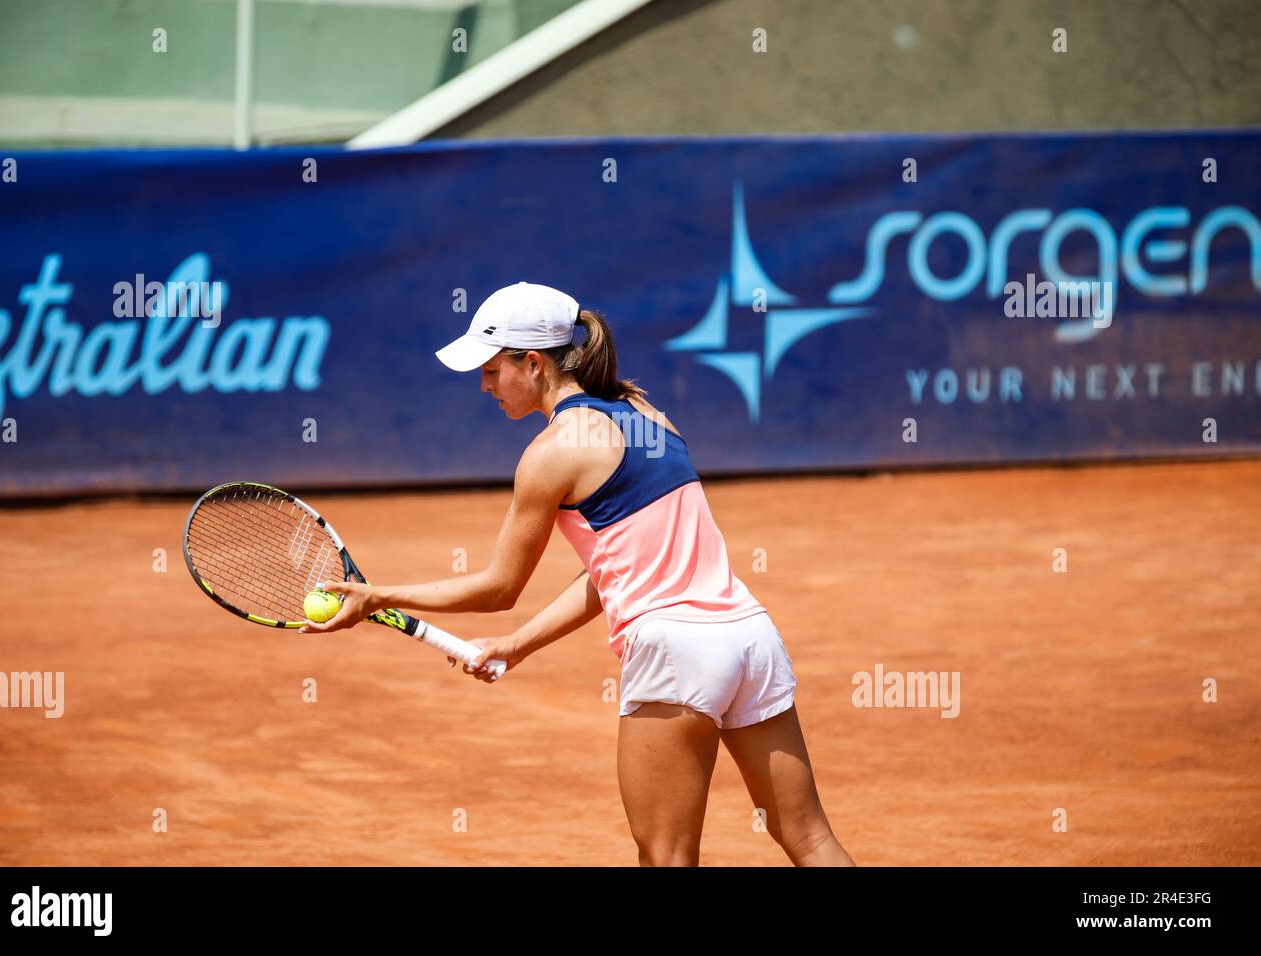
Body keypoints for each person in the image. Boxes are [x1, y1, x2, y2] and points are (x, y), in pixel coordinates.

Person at [301, 282, 855, 867]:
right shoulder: (646, 411)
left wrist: (375, 596)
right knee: (810, 837)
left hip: (674, 653)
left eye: (491, 370)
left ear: (533, 363)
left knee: (666, 856)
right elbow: (611, 570)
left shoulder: (551, 452)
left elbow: (498, 587)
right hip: (750, 638)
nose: (484, 385)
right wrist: (518, 645)